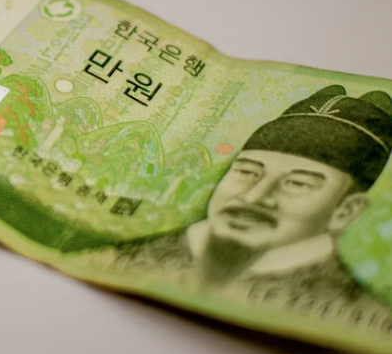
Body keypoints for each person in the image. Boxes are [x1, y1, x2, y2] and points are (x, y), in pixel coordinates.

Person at [113, 85, 392, 311]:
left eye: (297, 183)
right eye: (247, 172)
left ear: (346, 211)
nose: (254, 197)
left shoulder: (354, 310)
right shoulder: (124, 257)